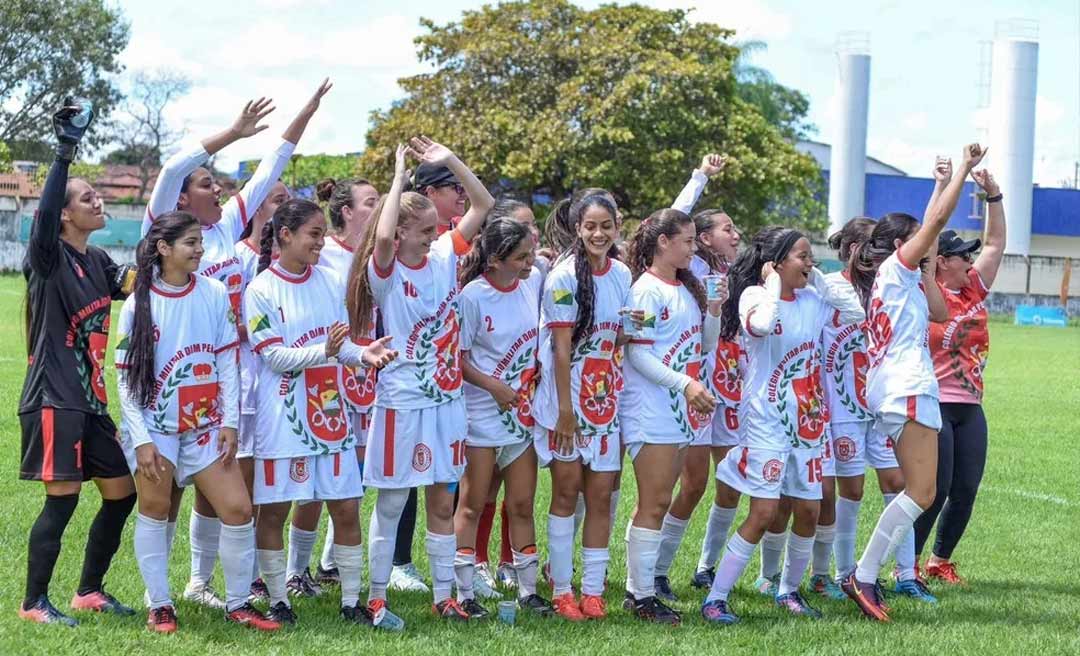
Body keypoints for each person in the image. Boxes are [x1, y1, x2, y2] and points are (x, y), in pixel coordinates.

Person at [142, 80, 331, 608]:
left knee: (234, 480)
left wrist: (304, 114)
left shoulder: (223, 231)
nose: (219, 190)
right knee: (175, 489)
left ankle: (231, 582)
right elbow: (171, 169)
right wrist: (231, 133)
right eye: (207, 184)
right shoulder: (161, 225)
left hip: (245, 372)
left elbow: (271, 167)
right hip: (181, 377)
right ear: (182, 199)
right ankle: (191, 584)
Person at [347, 138, 493, 627]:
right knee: (391, 502)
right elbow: (382, 238)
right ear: (404, 228)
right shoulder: (383, 272)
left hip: (446, 402)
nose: (435, 235)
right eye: (425, 229)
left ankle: (445, 596)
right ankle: (377, 597)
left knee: (441, 499)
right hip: (401, 404)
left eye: (437, 228)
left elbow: (483, 204)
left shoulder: (444, 257)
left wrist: (449, 158)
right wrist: (395, 179)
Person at [116, 211, 279, 633]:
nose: (200, 250)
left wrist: (228, 421)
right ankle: (160, 605)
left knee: (239, 509)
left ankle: (239, 604)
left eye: (200, 242)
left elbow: (227, 358)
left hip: (205, 426)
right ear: (164, 248)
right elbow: (125, 379)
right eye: (190, 242)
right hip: (157, 428)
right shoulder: (139, 302)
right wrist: (141, 440)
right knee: (154, 508)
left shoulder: (212, 291)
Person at [843, 144, 986, 621]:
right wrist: (962, 172)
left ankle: (865, 575)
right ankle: (863, 576)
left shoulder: (904, 278)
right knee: (923, 492)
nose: (930, 247)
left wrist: (940, 185)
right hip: (906, 388)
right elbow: (934, 226)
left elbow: (942, 314)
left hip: (900, 388)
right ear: (905, 246)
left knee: (918, 489)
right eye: (922, 245)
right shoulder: (895, 269)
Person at [700, 227, 864, 625]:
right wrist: (772, 284)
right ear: (775, 265)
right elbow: (759, 326)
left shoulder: (813, 298)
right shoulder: (757, 296)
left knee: (809, 509)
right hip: (766, 423)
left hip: (808, 424)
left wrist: (820, 282)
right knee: (764, 512)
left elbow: (858, 313)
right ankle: (716, 598)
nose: (810, 263)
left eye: (811, 256)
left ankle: (788, 591)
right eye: (802, 257)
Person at [246, 198, 396, 626]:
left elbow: (340, 346)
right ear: (286, 236)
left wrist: (363, 354)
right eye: (313, 234)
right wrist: (324, 353)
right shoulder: (260, 290)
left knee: (346, 507)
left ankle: (351, 602)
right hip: (283, 420)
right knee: (273, 511)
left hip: (331, 416)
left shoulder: (331, 281)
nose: (319, 242)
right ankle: (278, 598)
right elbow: (272, 356)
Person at [18, 101, 138, 626]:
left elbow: (135, 284)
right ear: (65, 213)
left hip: (90, 403)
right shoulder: (48, 256)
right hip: (53, 399)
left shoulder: (97, 260)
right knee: (62, 502)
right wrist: (65, 153)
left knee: (122, 493)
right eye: (87, 198)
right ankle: (32, 604)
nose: (99, 201)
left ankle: (89, 591)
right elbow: (43, 215)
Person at [531, 192, 635, 621]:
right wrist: (565, 411)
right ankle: (560, 589)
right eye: (590, 226)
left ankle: (593, 591)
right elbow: (559, 351)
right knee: (566, 493)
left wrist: (638, 328)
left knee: (600, 498)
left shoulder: (623, 274)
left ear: (617, 227)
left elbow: (619, 338)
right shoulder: (562, 278)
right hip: (566, 402)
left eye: (606, 226)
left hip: (606, 403)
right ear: (577, 228)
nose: (598, 234)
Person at [621, 209, 720, 624]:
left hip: (677, 412)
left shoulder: (683, 288)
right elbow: (635, 351)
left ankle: (642, 591)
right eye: (687, 240)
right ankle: (639, 595)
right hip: (650, 408)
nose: (693, 247)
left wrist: (714, 309)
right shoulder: (644, 290)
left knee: (659, 501)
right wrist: (685, 384)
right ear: (663, 241)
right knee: (654, 500)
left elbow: (702, 347)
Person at [453, 216, 554, 618]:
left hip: (522, 417)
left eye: (531, 253)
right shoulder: (473, 296)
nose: (530, 263)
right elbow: (457, 360)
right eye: (521, 257)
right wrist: (493, 386)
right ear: (494, 260)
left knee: (522, 504)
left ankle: (527, 590)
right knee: (472, 503)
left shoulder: (532, 284)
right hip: (480, 415)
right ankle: (462, 592)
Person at [648, 154, 738, 599]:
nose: (735, 234)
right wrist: (700, 177)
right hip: (683, 388)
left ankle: (703, 567)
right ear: (698, 239)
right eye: (726, 228)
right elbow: (671, 217)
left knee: (727, 479)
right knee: (687, 484)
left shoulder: (726, 270)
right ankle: (656, 570)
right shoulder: (688, 267)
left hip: (720, 386)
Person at [914, 166, 1006, 585]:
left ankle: (940, 560)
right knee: (935, 489)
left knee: (965, 488)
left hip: (970, 406)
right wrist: (942, 185)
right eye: (962, 256)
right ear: (942, 262)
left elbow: (996, 242)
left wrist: (994, 196)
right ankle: (908, 562)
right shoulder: (925, 293)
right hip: (934, 402)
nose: (971, 261)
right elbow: (928, 235)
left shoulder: (973, 288)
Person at [305, 177, 381, 588]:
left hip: (366, 372)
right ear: (347, 211)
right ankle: (296, 570)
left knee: (355, 475)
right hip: (328, 374)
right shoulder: (325, 255)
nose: (378, 207)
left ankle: (331, 563)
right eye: (370, 202)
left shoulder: (376, 255)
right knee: (319, 478)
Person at [234, 180, 292, 600]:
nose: (284, 204)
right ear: (254, 209)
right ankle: (207, 579)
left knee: (272, 491)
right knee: (237, 486)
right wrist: (258, 329)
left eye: (288, 198)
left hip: (280, 389)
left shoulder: (301, 270)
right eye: (276, 198)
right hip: (240, 386)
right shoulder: (236, 257)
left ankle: (260, 576)